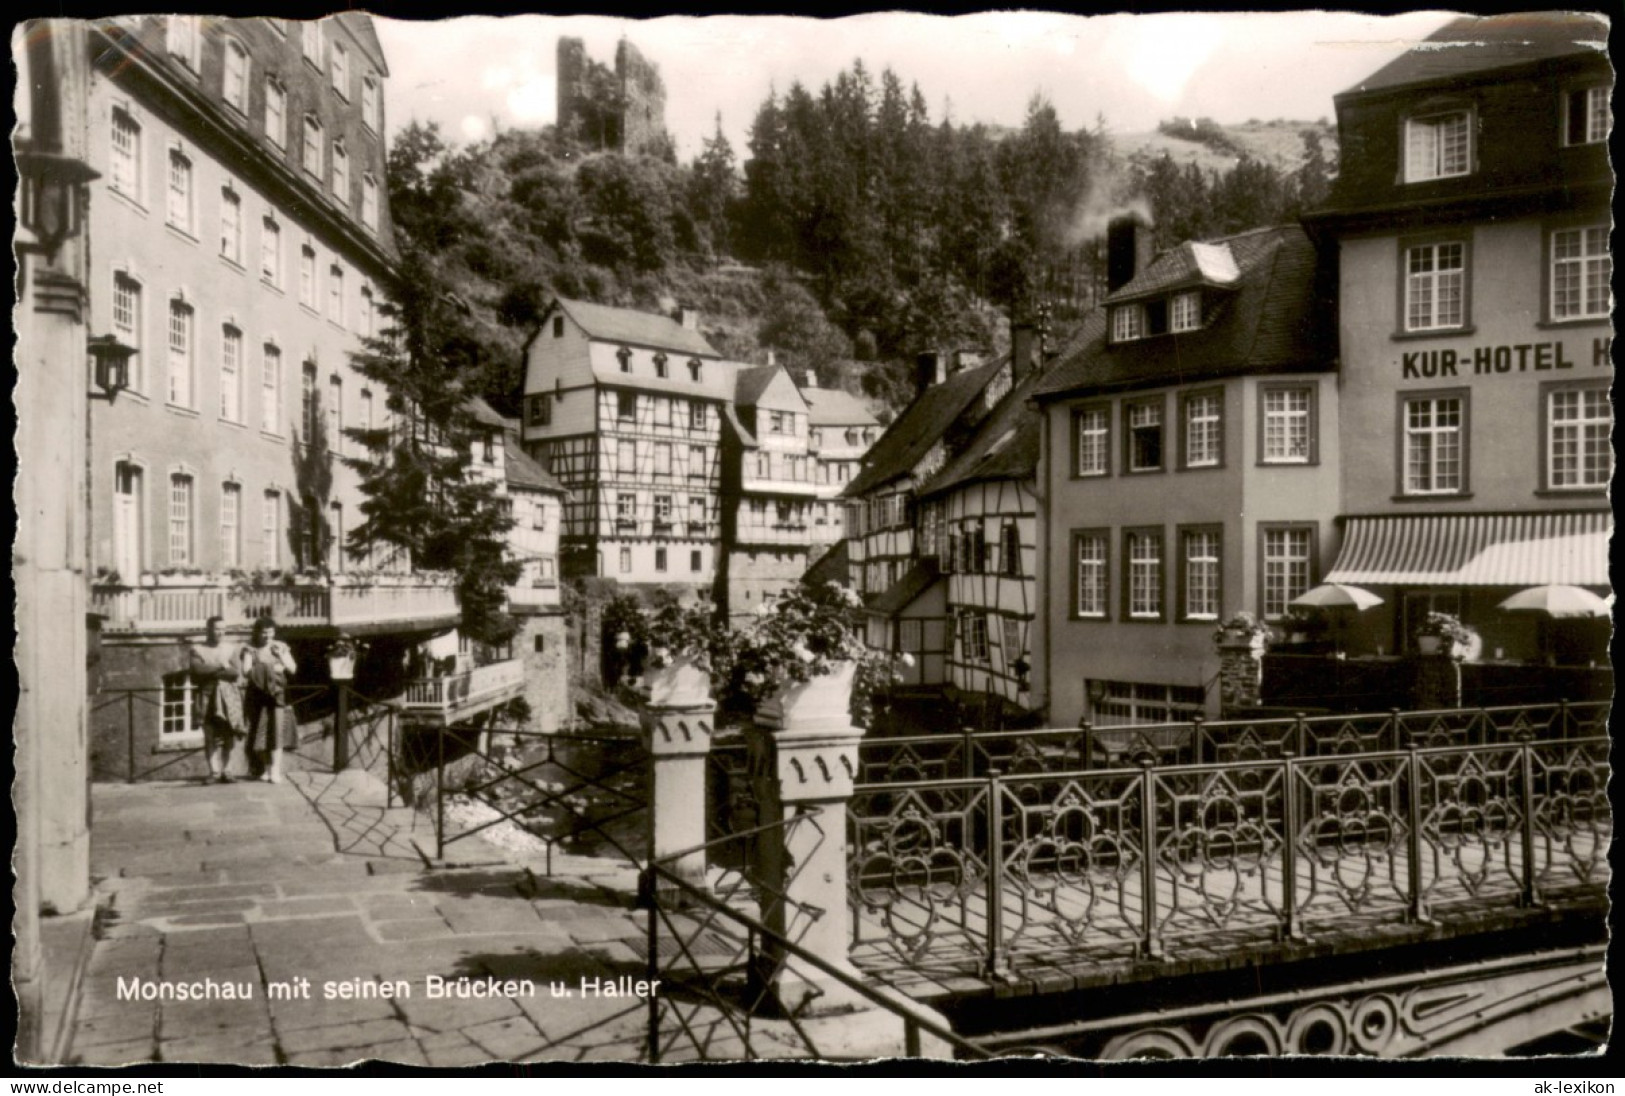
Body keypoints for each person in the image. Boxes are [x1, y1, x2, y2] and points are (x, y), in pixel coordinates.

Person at [187, 615, 247, 783]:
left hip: (228, 696)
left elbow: (235, 672)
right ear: (208, 629)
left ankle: (227, 770)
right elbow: (197, 671)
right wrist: (221, 665)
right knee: (209, 734)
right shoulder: (197, 649)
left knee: (228, 734)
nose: (220, 632)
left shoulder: (231, 648)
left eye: (222, 629)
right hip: (206, 695)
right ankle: (213, 772)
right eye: (216, 628)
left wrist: (210, 669)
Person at [243, 616, 298, 783]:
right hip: (257, 695)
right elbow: (246, 671)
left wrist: (281, 656)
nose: (268, 636)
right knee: (258, 732)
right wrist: (269, 669)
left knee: (276, 732)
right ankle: (266, 767)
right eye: (264, 633)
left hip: (278, 695)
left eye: (271, 632)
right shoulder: (250, 649)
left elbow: (292, 669)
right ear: (258, 633)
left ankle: (275, 769)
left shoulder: (280, 646)